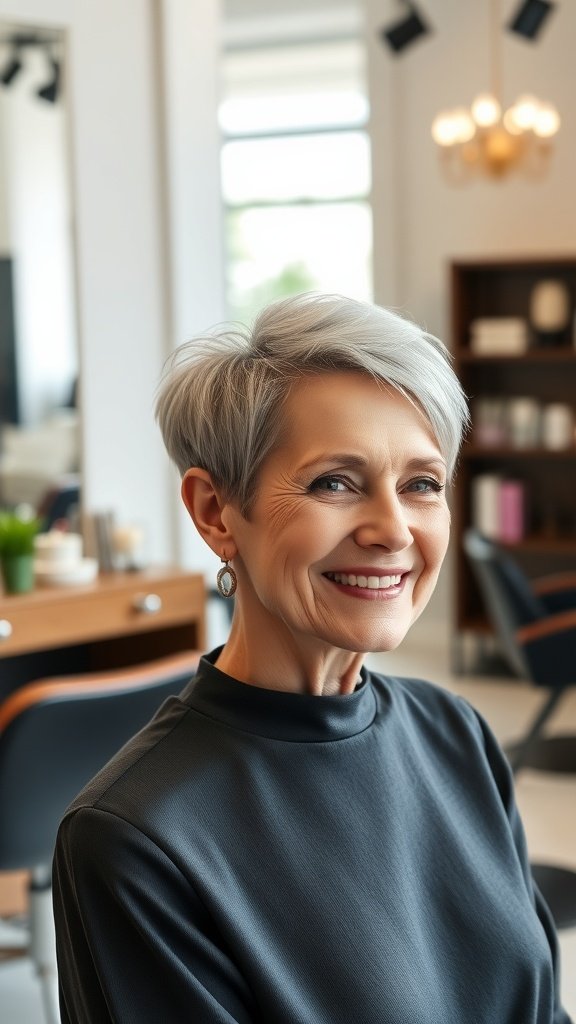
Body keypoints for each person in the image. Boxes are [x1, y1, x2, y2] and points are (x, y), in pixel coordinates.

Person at [53, 293, 571, 1024]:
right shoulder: (135, 838)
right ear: (215, 512)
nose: (394, 530)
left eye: (421, 485)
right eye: (335, 482)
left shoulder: (456, 732)